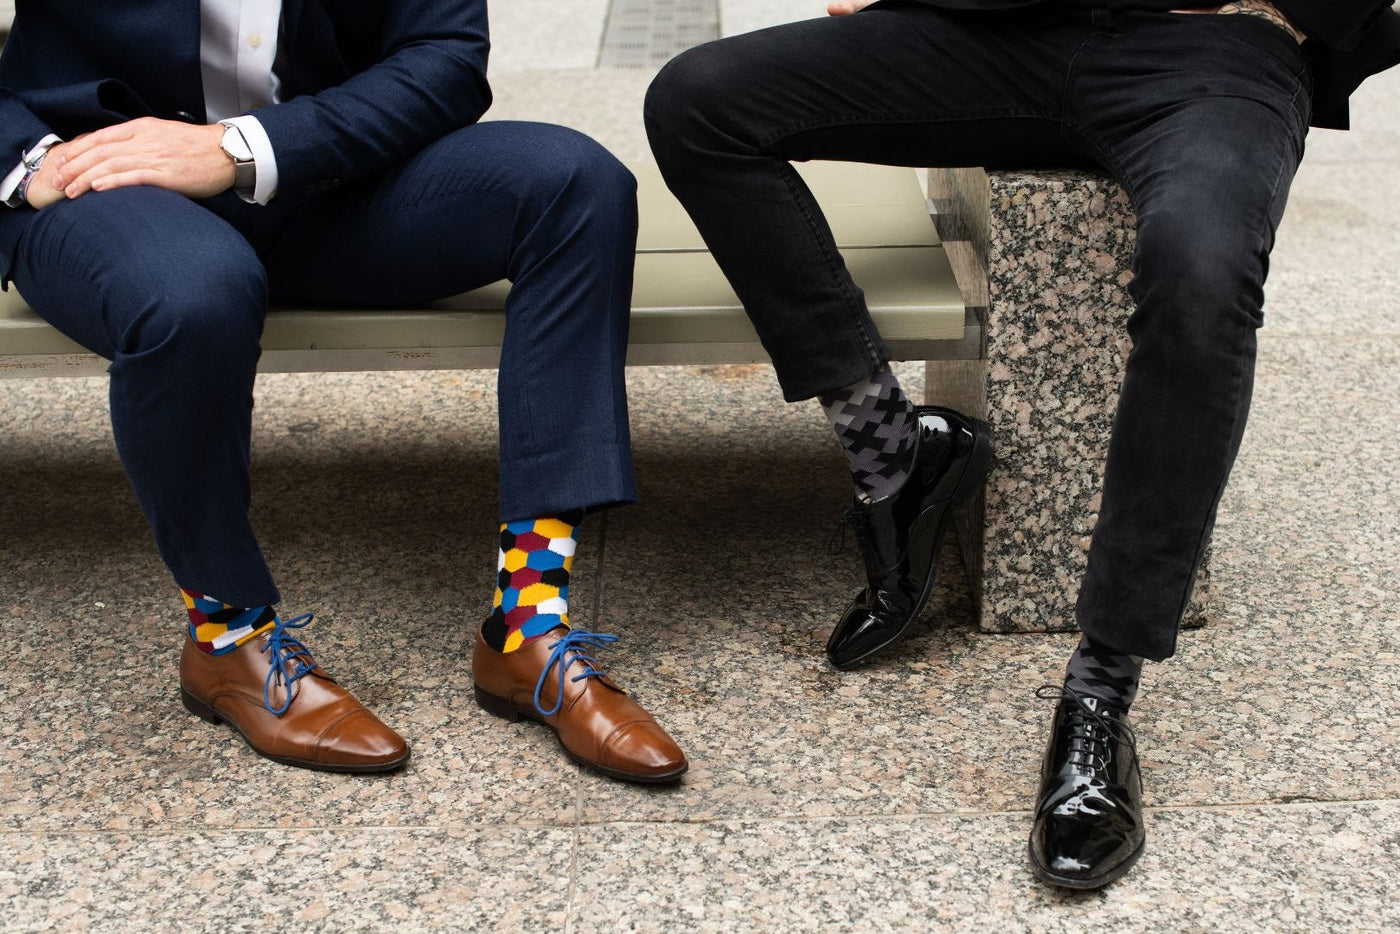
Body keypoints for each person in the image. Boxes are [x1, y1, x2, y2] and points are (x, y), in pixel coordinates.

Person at [645, 0, 1400, 886]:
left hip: (1215, 42)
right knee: (700, 99)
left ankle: (1100, 692)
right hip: (1006, 27)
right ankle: (895, 451)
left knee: (1202, 277)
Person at [0, 0, 687, 784]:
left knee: (577, 183)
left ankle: (526, 628)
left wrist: (241, 146)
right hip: (105, 183)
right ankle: (226, 641)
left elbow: (445, 55)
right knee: (193, 292)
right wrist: (27, 163)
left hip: (314, 172)